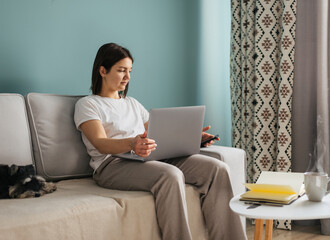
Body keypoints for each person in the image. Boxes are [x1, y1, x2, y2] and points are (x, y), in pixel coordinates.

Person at [74, 43, 247, 240]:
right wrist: (132, 143)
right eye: (121, 70)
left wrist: (192, 137)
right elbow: (100, 142)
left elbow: (159, 132)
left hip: (147, 156)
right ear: (102, 70)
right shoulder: (88, 104)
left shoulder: (132, 103)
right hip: (111, 165)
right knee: (170, 175)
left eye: (129, 71)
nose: (127, 77)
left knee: (217, 169)